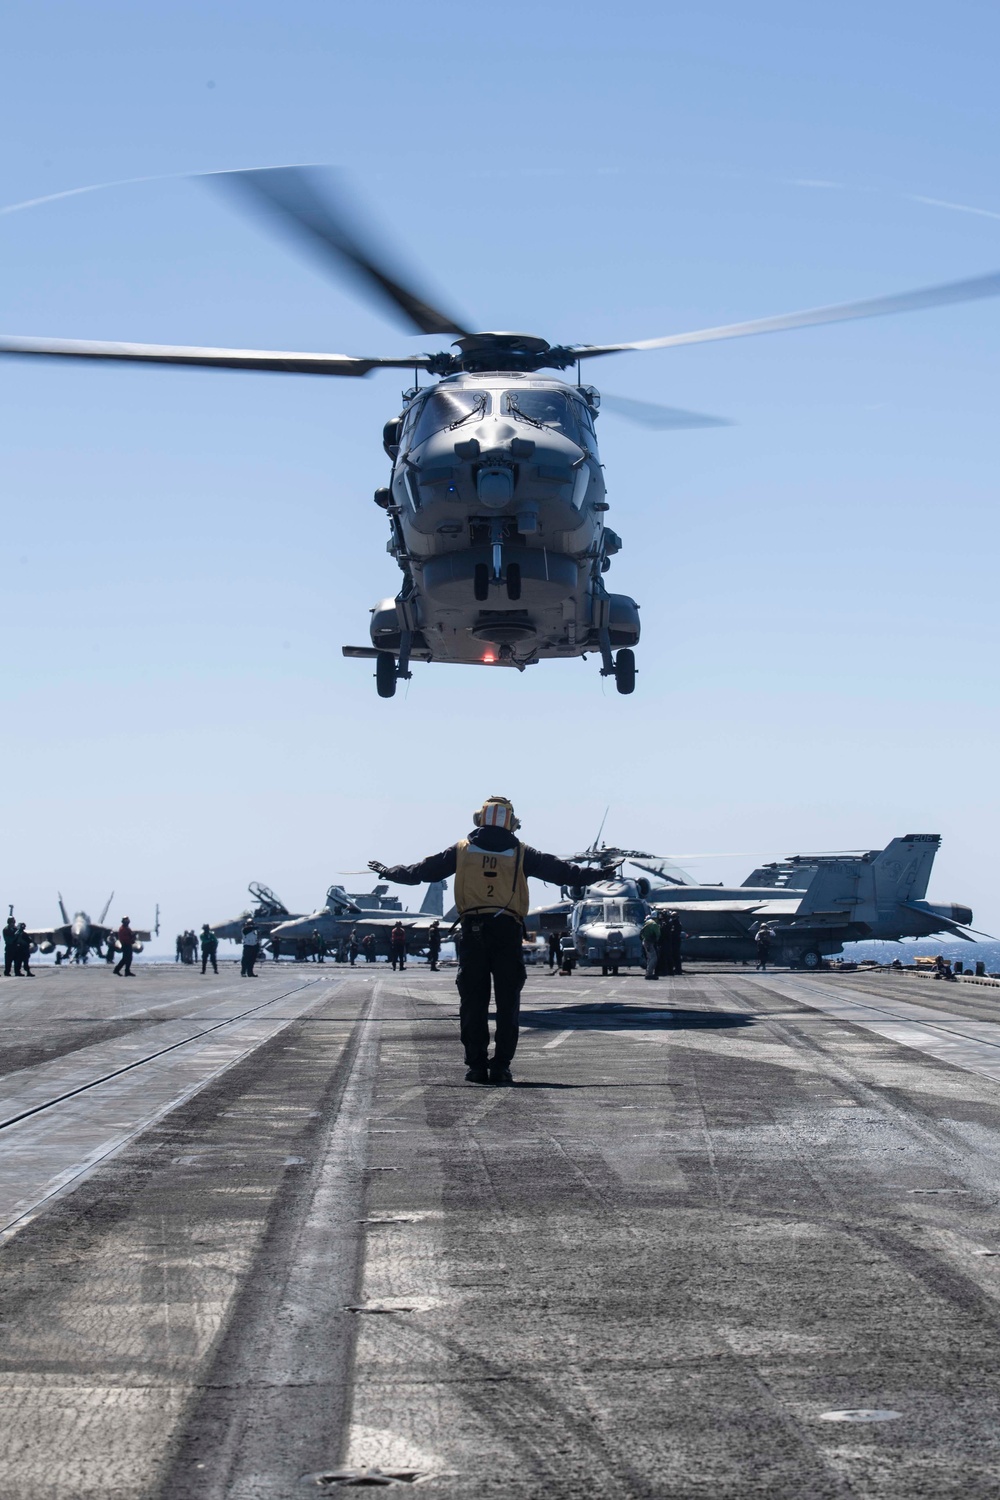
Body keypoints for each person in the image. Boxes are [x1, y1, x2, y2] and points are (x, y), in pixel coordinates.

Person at [369, 796, 613, 1085]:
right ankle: (501, 1067)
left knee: (473, 1002)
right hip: (507, 934)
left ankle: (476, 1066)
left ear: (479, 818)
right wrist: (598, 873)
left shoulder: (460, 850)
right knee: (508, 1003)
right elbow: (563, 872)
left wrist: (388, 872)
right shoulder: (523, 853)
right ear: (511, 822)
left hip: (472, 934)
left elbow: (420, 872)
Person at [641, 910, 661, 980]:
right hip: (649, 942)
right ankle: (649, 973)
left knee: (650, 958)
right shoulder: (654, 924)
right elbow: (658, 935)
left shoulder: (648, 922)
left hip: (645, 941)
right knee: (653, 958)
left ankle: (648, 972)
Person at [667, 909, 684, 976]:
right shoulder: (675, 923)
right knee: (675, 956)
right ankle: (677, 969)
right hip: (675, 941)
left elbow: (674, 932)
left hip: (675, 941)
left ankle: (678, 970)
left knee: (676, 956)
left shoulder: (676, 923)